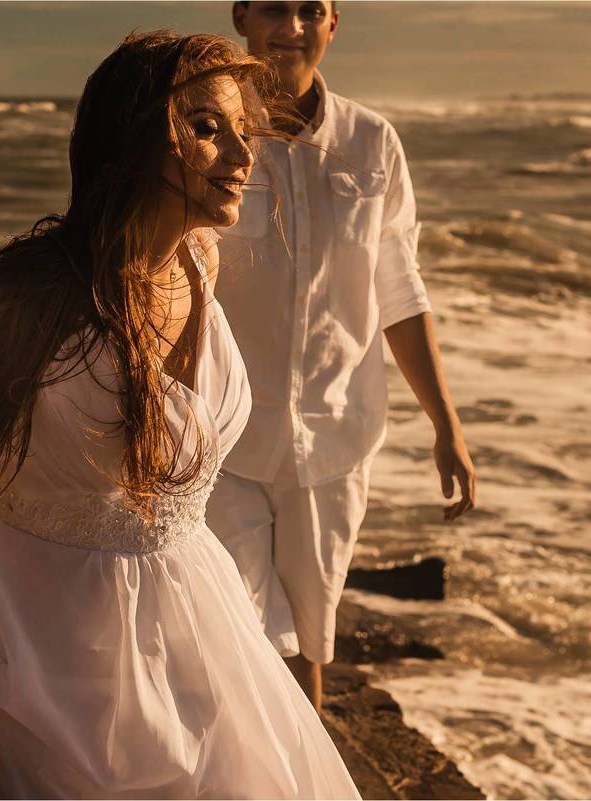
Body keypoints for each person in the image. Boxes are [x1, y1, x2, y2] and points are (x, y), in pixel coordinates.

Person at [0, 30, 360, 800]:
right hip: (46, 650)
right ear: (133, 133)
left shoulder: (198, 258)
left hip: (194, 619)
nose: (240, 156)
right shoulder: (23, 297)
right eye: (205, 127)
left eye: (241, 131)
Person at [209, 0, 477, 712]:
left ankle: (305, 774)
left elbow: (399, 289)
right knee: (231, 632)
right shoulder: (207, 130)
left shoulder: (371, 142)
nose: (290, 27)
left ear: (334, 24)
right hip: (220, 436)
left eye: (310, 10)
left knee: (308, 638)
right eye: (273, 8)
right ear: (240, 15)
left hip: (335, 439)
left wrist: (445, 424)